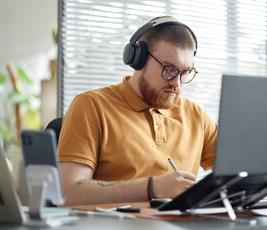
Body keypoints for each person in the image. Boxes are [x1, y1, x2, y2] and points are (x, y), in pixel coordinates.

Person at [57, 16, 218, 206]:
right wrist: (152, 188)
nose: (177, 83)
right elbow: (69, 193)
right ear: (138, 60)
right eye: (168, 69)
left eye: (185, 72)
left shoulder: (195, 115)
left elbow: (241, 171)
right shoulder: (91, 106)